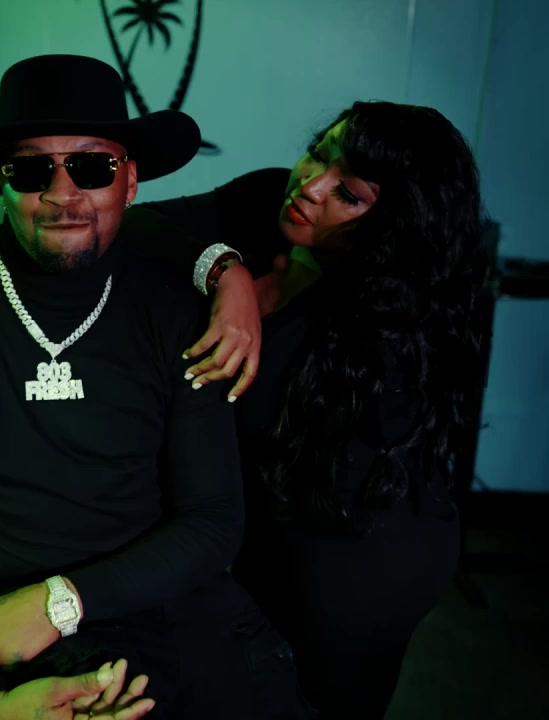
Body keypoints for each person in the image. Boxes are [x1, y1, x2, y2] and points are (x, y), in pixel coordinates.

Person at [0, 54, 315, 720]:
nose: (63, 194)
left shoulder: (177, 311)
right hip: (12, 623)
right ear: (0, 184)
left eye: (93, 167)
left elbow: (212, 521)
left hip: (169, 599)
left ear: (131, 182)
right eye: (31, 170)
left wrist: (61, 602)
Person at [129, 100, 491, 718]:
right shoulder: (271, 199)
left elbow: (242, 411)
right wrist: (226, 273)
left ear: (394, 224)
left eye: (348, 193)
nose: (311, 185)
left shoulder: (387, 323)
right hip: (274, 524)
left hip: (362, 556)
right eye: (320, 152)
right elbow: (136, 225)